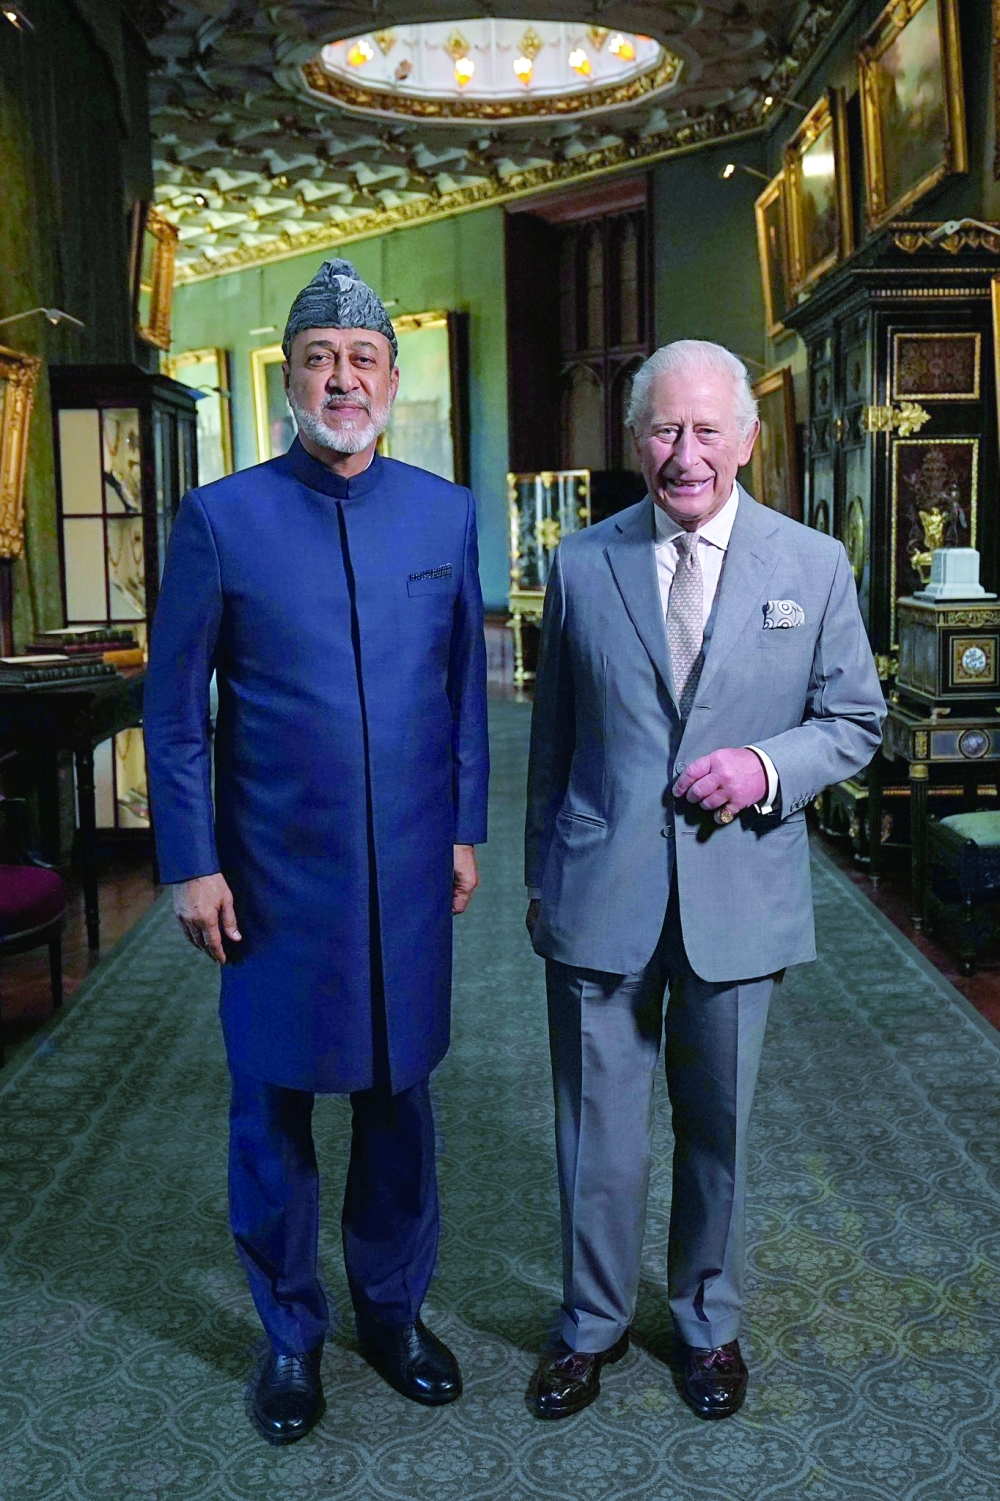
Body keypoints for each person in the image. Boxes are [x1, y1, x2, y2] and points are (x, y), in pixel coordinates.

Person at [144, 259, 489, 1444]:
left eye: (362, 357)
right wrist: (191, 859)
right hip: (271, 878)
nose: (342, 378)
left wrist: (460, 826)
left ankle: (390, 1311)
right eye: (318, 358)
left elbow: (462, 691)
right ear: (288, 377)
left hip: (406, 868)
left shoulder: (442, 511)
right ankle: (289, 1333)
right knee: (273, 1106)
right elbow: (176, 708)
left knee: (400, 1099)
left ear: (392, 375)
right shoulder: (221, 517)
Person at [524, 339, 885, 1421]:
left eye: (705, 429)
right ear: (635, 440)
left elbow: (855, 721)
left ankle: (705, 1324)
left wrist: (765, 766)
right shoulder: (581, 563)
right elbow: (553, 741)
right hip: (600, 889)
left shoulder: (812, 564)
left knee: (717, 1127)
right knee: (597, 1127)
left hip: (740, 894)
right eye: (663, 430)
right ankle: (588, 1325)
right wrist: (548, 875)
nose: (685, 453)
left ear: (747, 439)